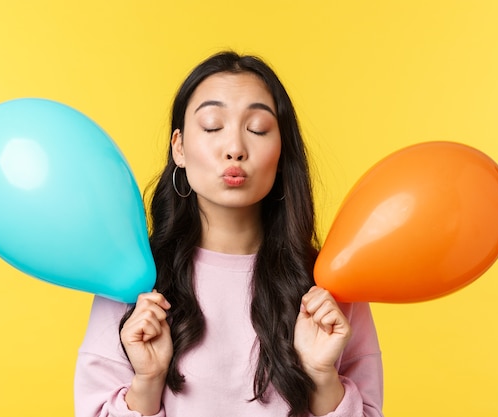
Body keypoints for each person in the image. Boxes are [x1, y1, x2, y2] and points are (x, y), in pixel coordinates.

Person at [74, 51, 384, 417]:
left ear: (282, 152)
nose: (235, 149)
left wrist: (321, 378)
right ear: (179, 147)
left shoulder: (329, 290)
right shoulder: (132, 282)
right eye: (211, 125)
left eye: (257, 129)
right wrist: (148, 380)